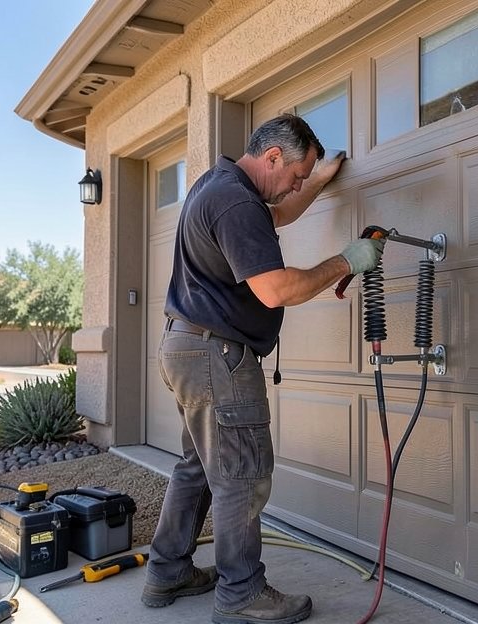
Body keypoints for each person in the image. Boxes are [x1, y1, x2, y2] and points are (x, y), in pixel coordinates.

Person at [140, 114, 385, 624]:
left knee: (201, 469)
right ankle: (241, 593)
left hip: (187, 348)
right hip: (218, 356)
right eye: (295, 174)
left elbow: (279, 215)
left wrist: (316, 181)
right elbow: (277, 290)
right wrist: (348, 260)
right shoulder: (235, 202)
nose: (296, 185)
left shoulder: (221, 186)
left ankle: (168, 571)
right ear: (272, 157)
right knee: (241, 474)